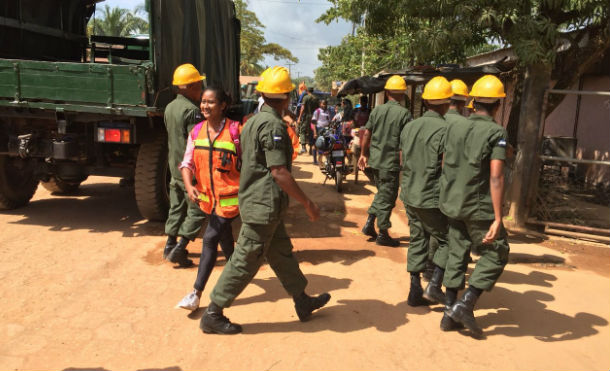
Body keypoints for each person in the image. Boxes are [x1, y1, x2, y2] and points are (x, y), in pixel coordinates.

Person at [200, 66, 330, 335]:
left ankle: (302, 300)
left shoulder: (253, 121)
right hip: (263, 207)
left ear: (261, 94)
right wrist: (308, 203)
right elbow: (279, 172)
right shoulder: (272, 125)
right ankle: (213, 312)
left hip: (261, 204)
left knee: (281, 253)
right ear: (286, 97)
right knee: (246, 259)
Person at [439, 75, 510, 338]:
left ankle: (449, 312)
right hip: (477, 205)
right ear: (498, 105)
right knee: (497, 252)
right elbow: (496, 176)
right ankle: (465, 303)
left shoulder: (455, 126)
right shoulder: (496, 132)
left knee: (457, 251)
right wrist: (498, 217)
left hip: (452, 201)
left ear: (473, 103)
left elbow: (446, 162)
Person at [175, 87, 240, 310]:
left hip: (231, 201)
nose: (205, 106)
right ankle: (236, 269)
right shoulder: (196, 132)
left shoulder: (235, 131)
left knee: (210, 239)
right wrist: (189, 185)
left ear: (223, 105)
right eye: (203, 102)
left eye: (210, 102)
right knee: (224, 239)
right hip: (207, 201)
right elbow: (187, 163)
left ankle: (196, 293)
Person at [399, 76, 453, 307]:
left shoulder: (410, 126)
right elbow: (446, 165)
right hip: (431, 195)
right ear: (446, 103)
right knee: (449, 240)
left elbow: (402, 157)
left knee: (417, 238)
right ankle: (434, 285)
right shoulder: (446, 129)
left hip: (409, 193)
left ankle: (414, 290)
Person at [358, 75, 412, 247]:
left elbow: (367, 133)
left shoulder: (377, 111)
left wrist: (363, 154)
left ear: (387, 92)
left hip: (375, 161)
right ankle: (383, 232)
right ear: (402, 94)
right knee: (388, 197)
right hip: (390, 163)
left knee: (382, 194)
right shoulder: (405, 114)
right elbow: (407, 140)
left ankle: (369, 223)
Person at [163, 63, 206, 267]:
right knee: (198, 208)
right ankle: (180, 247)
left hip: (174, 167)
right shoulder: (191, 111)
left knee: (177, 205)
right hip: (190, 170)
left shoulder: (170, 107)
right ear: (188, 87)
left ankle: (169, 244)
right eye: (198, 85)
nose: (201, 89)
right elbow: (195, 141)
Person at [297, 87, 319, 154]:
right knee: (311, 132)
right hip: (314, 117)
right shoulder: (316, 98)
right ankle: (311, 149)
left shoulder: (306, 97)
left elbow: (303, 108)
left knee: (302, 130)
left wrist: (299, 117)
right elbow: (318, 109)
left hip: (307, 117)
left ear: (307, 91)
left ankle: (304, 148)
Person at [311, 99, 331, 165]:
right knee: (316, 145)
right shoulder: (317, 111)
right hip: (318, 129)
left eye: (325, 104)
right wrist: (315, 132)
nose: (324, 105)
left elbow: (329, 121)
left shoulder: (327, 112)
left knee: (325, 144)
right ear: (320, 104)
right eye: (323, 104)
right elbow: (313, 122)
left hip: (326, 130)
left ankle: (324, 160)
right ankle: (315, 160)